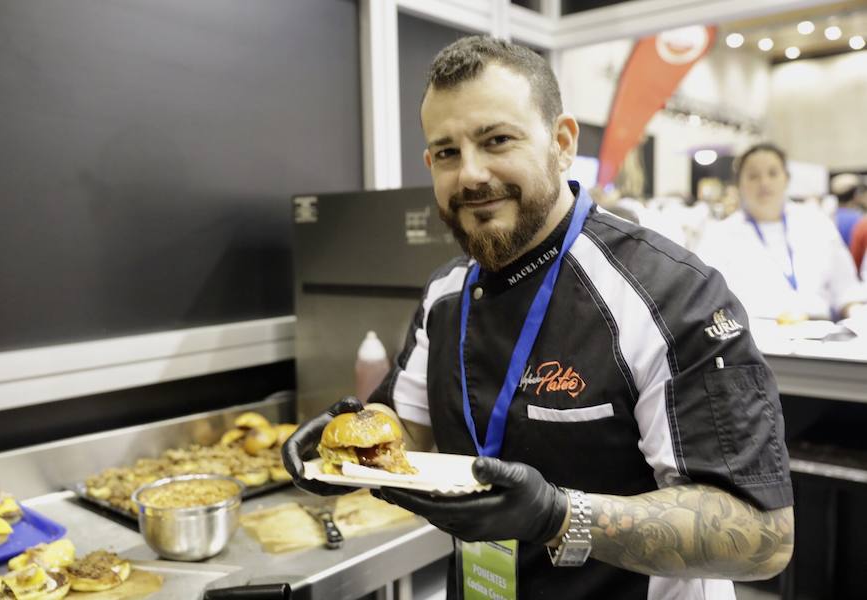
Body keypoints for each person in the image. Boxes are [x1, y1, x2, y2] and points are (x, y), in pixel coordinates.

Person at [284, 36, 793, 599]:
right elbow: (409, 427)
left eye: (497, 140)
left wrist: (558, 516)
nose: (471, 175)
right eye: (447, 153)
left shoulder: (670, 295)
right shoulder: (445, 294)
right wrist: (348, 452)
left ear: (561, 141)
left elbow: (764, 534)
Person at [695, 144, 867, 322]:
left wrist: (857, 316)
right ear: (739, 184)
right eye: (753, 176)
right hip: (754, 340)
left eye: (773, 173)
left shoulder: (817, 224)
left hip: (820, 336)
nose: (764, 183)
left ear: (786, 178)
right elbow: (710, 301)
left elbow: (846, 289)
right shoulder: (718, 236)